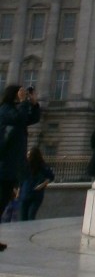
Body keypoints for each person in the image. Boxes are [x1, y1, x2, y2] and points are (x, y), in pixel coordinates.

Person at [0, 84, 41, 245]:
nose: (22, 95)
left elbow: (31, 119)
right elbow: (19, 119)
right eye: (20, 93)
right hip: (3, 166)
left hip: (10, 167)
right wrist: (24, 102)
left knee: (3, 202)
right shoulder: (4, 110)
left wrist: (34, 104)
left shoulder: (15, 111)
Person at [19, 146, 54, 221]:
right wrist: (18, 191)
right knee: (22, 218)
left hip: (36, 196)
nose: (27, 156)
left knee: (31, 216)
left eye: (29, 155)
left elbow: (51, 177)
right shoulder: (26, 166)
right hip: (24, 195)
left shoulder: (42, 167)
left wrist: (42, 185)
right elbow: (21, 180)